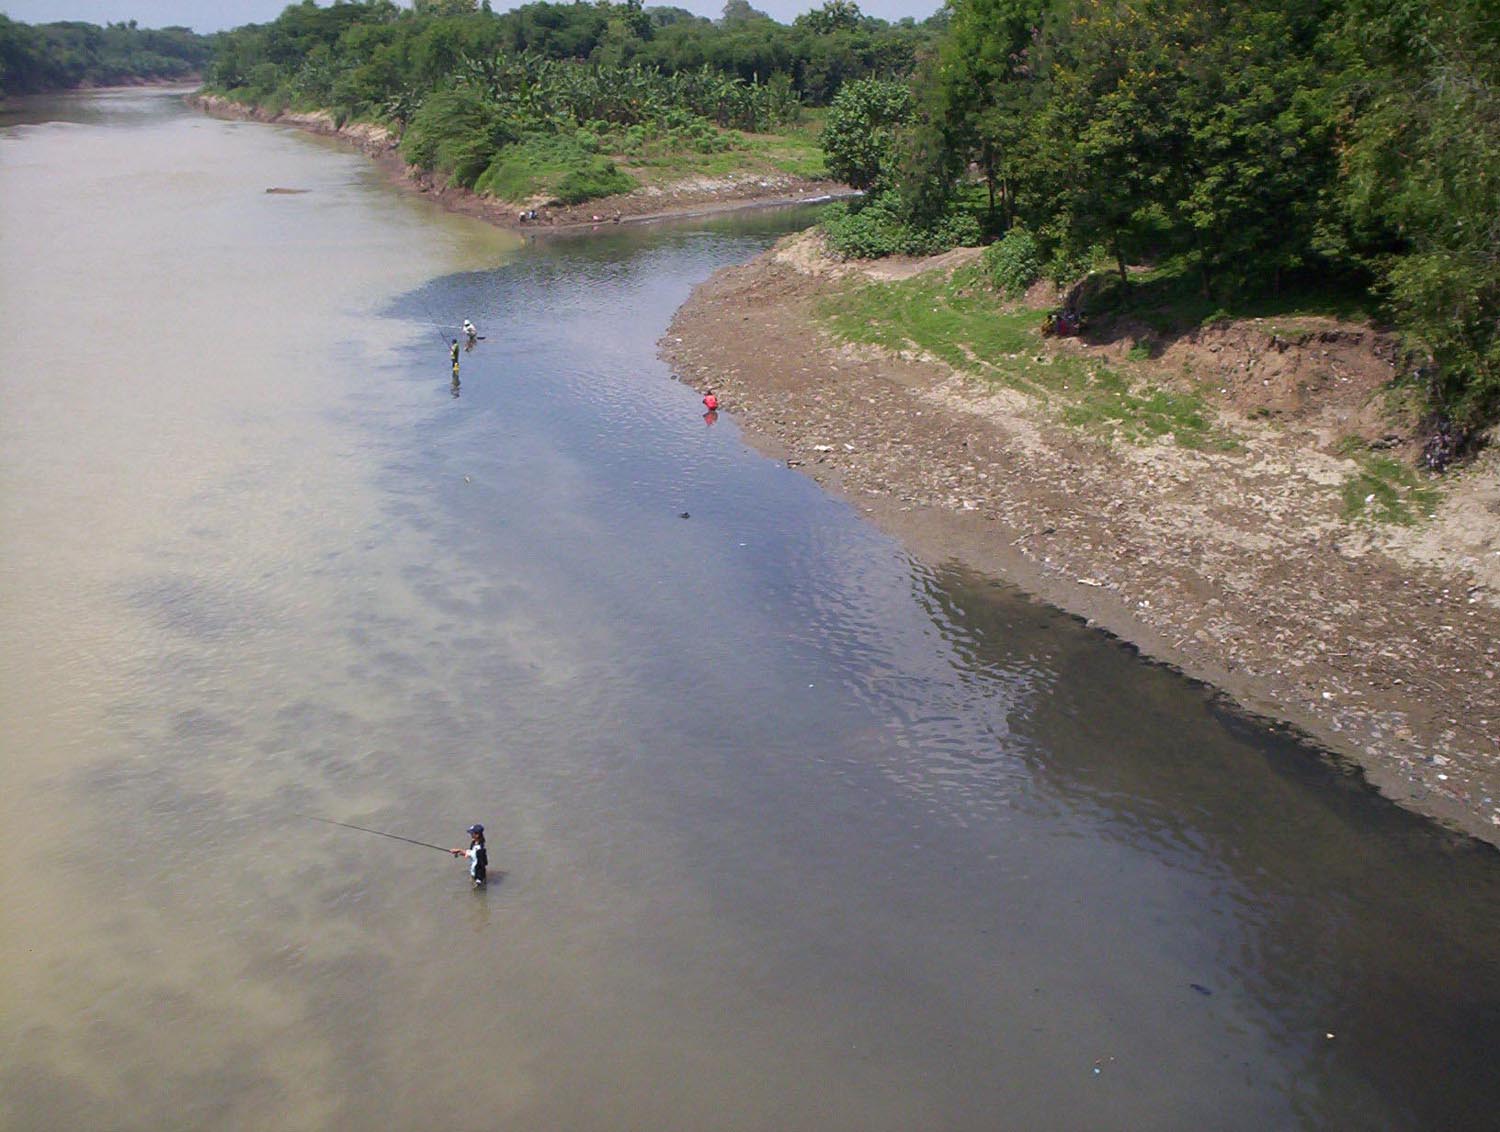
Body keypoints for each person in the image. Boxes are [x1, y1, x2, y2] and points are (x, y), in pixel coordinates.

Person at [451, 823, 487, 887]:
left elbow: (482, 865)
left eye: (472, 833)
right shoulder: (474, 843)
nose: (470, 834)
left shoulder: (480, 849)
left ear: (477, 835)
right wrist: (459, 852)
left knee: (477, 891)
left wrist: (479, 879)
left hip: (478, 876)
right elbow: (471, 853)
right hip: (473, 872)